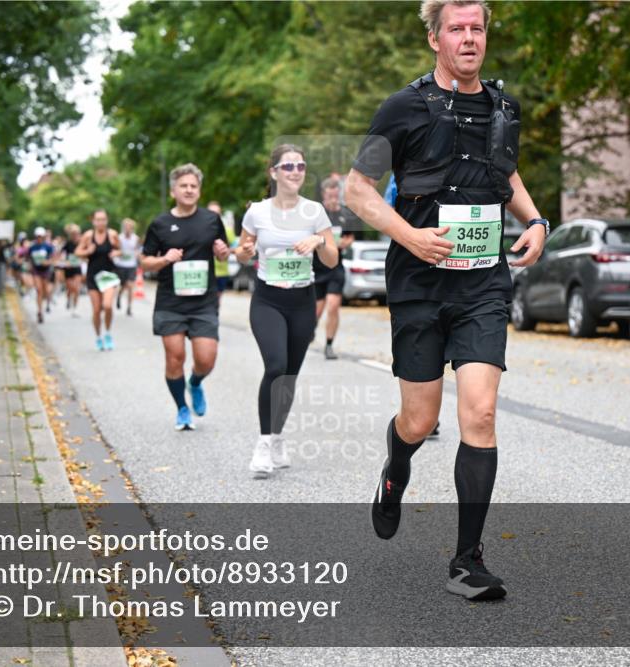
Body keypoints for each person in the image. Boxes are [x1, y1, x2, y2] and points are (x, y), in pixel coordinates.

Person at [345, 0, 549, 601]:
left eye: (477, 28)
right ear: (435, 39)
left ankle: (467, 560)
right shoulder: (403, 108)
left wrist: (536, 221)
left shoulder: (504, 107)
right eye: (456, 29)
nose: (468, 38)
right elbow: (358, 191)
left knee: (480, 413)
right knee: (421, 419)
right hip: (418, 283)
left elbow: (504, 175)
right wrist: (410, 235)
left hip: (483, 282)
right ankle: (396, 468)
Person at [236, 145, 338, 478]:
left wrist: (319, 243)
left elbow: (332, 259)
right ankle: (264, 443)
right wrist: (244, 251)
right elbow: (242, 252)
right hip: (267, 300)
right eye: (289, 166)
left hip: (302, 301)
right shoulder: (256, 212)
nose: (296, 171)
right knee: (276, 365)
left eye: (301, 166)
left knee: (290, 376)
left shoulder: (315, 212)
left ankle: (278, 436)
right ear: (274, 172)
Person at [139, 164, 230, 431]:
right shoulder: (160, 224)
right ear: (173, 190)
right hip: (171, 301)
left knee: (206, 359)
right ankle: (181, 407)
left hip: (203, 301)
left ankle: (196, 383)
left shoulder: (211, 220)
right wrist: (164, 259)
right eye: (184, 186)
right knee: (174, 356)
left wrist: (223, 250)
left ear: (199, 191)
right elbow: (144, 262)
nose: (189, 190)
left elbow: (222, 254)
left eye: (194, 186)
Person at [313, 177, 357, 359]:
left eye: (335, 195)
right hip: (317, 268)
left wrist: (341, 244)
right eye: (330, 195)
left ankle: (329, 345)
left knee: (333, 306)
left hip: (335, 268)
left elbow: (350, 238)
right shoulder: (316, 214)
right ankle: (310, 330)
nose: (333, 198)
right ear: (324, 195)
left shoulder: (345, 215)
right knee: (317, 310)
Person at [75, 209, 122, 350]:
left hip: (108, 275)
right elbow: (77, 252)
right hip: (93, 276)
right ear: (93, 221)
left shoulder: (112, 235)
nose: (101, 222)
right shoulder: (88, 236)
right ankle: (98, 337)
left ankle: (107, 333)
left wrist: (116, 252)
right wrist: (87, 251)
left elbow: (120, 249)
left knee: (107, 306)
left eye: (103, 219)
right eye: (98, 219)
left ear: (107, 220)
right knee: (96, 310)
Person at [208, 201, 237, 303]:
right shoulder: (201, 229)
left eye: (217, 213)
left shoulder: (227, 230)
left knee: (217, 299)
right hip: (206, 271)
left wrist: (226, 250)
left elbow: (237, 247)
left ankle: (214, 316)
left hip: (221, 271)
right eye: (211, 213)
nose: (214, 216)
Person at [27, 227, 56, 324]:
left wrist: (47, 262)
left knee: (45, 290)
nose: (39, 238)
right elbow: (29, 259)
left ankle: (47, 302)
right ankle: (39, 311)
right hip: (36, 271)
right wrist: (30, 266)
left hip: (46, 271)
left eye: (40, 236)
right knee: (39, 290)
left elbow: (53, 259)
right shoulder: (32, 247)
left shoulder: (48, 247)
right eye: (37, 236)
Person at [114, 218, 140, 316]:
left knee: (130, 286)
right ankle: (119, 296)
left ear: (132, 228)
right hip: (121, 265)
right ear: (123, 228)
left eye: (130, 227)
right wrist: (117, 253)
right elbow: (116, 249)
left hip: (131, 265)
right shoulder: (119, 238)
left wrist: (138, 255)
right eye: (126, 227)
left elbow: (137, 250)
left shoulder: (136, 238)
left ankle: (129, 307)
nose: (128, 228)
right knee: (122, 285)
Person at [60, 223, 84, 316]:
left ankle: (75, 308)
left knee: (76, 288)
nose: (75, 236)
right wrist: (64, 262)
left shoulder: (81, 243)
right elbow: (61, 254)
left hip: (77, 267)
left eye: (76, 233)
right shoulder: (67, 243)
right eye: (73, 234)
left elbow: (85, 255)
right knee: (70, 288)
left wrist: (83, 259)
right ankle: (69, 298)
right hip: (68, 268)